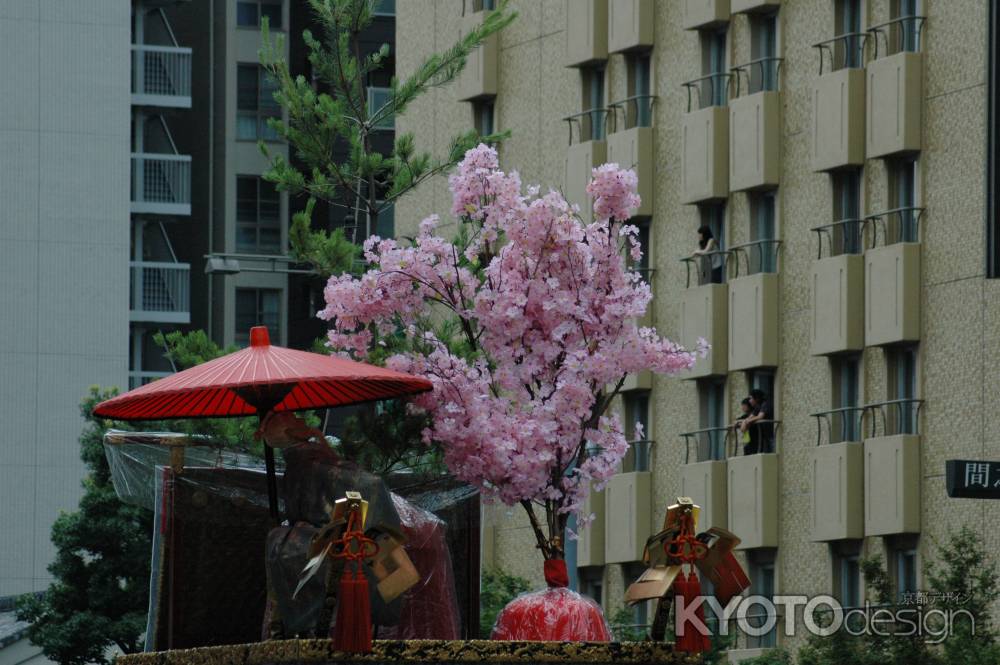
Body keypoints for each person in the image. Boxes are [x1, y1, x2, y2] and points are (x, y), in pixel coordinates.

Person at [740, 389, 775, 454]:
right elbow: (750, 417)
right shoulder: (758, 407)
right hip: (764, 435)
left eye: (751, 398)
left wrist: (746, 421)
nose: (749, 401)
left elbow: (760, 416)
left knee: (772, 452)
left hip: (771, 434)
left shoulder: (765, 404)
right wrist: (745, 421)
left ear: (757, 398)